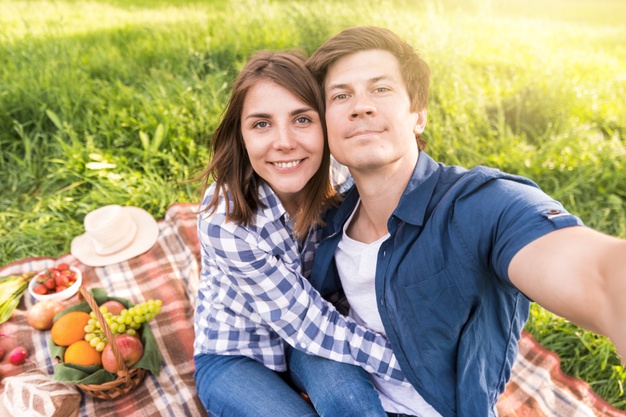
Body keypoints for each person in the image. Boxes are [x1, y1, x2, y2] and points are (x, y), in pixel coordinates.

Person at [289, 26, 626, 417]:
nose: (360, 106)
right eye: (340, 95)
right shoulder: (330, 214)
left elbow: (601, 273)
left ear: (418, 115)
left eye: (381, 90)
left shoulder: (478, 205)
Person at [192, 50, 410, 417]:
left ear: (326, 123)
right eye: (262, 124)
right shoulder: (224, 218)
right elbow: (307, 324)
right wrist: (407, 368)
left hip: (308, 340)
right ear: (241, 135)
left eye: (302, 120)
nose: (284, 142)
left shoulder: (342, 178)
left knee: (353, 404)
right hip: (236, 352)